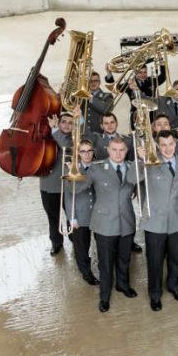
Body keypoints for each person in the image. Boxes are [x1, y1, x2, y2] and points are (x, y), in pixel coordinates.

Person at [133, 130, 178, 311]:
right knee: (155, 261)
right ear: (158, 145)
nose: (167, 148)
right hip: (154, 221)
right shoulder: (150, 161)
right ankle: (155, 294)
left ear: (176, 144)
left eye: (171, 144)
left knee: (175, 258)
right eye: (163, 145)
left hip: (176, 220)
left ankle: (174, 285)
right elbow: (134, 179)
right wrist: (140, 161)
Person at [76, 137, 139, 313]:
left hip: (126, 221)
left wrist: (141, 160)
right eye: (114, 150)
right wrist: (74, 173)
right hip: (104, 224)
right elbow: (78, 188)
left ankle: (123, 285)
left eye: (122, 150)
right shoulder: (96, 169)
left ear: (126, 151)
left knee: (125, 258)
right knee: (105, 262)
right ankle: (104, 296)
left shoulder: (132, 167)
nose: (118, 153)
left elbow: (140, 182)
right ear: (108, 150)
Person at [63, 138, 99, 285]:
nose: (87, 154)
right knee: (82, 246)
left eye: (89, 150)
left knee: (101, 243)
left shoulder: (99, 167)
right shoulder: (73, 169)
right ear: (78, 153)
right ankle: (86, 273)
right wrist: (72, 217)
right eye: (83, 151)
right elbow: (68, 194)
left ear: (93, 152)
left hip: (98, 213)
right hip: (80, 213)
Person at [42, 112, 73, 256]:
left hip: (67, 184)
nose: (67, 125)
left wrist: (54, 130)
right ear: (58, 123)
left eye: (70, 123)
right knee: (53, 217)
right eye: (64, 122)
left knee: (71, 214)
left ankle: (74, 238)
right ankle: (56, 242)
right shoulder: (47, 135)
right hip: (48, 183)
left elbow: (65, 145)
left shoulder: (73, 139)